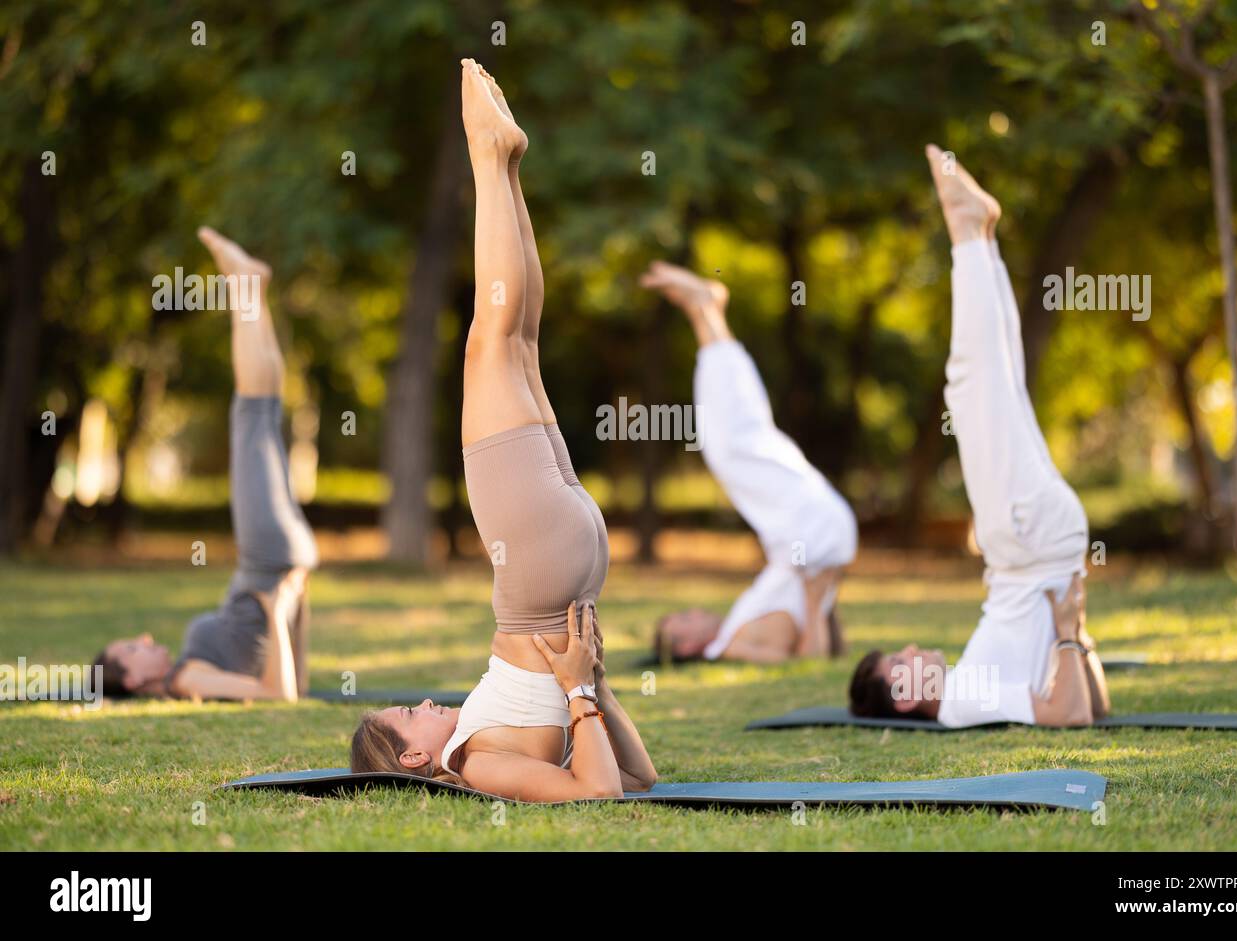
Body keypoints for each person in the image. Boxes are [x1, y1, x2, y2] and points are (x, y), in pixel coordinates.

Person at [349, 60, 656, 801]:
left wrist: (596, 688)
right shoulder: (475, 762)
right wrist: (584, 692)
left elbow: (641, 778)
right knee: (489, 339)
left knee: (516, 342)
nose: (425, 703)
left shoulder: (482, 737)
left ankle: (507, 164)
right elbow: (605, 795)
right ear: (416, 760)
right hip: (539, 578)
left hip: (569, 565)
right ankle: (488, 156)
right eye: (408, 715)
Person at [848, 146, 1109, 728]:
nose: (913, 651)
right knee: (973, 389)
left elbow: (1094, 703)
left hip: (1034, 544)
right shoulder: (960, 703)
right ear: (908, 698)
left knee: (999, 385)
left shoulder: (970, 683)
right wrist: (1068, 631)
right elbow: (1070, 717)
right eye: (900, 664)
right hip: (1027, 541)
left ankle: (981, 237)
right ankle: (970, 235)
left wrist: (1075, 633)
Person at [93, 228, 318, 701]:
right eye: (135, 648)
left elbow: (296, 680)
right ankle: (244, 289)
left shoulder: (187, 668)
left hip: (279, 563)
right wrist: (278, 609)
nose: (147, 639)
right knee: (253, 415)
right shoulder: (186, 680)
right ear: (132, 680)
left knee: (262, 412)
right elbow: (281, 697)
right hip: (266, 561)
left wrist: (292, 602)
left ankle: (250, 287)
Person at [640, 262, 858, 663]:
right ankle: (704, 312)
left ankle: (708, 316)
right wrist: (815, 600)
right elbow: (809, 661)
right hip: (814, 536)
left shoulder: (734, 627)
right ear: (687, 646)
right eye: (682, 621)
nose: (693, 612)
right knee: (733, 445)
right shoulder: (733, 646)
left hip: (809, 536)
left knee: (738, 440)